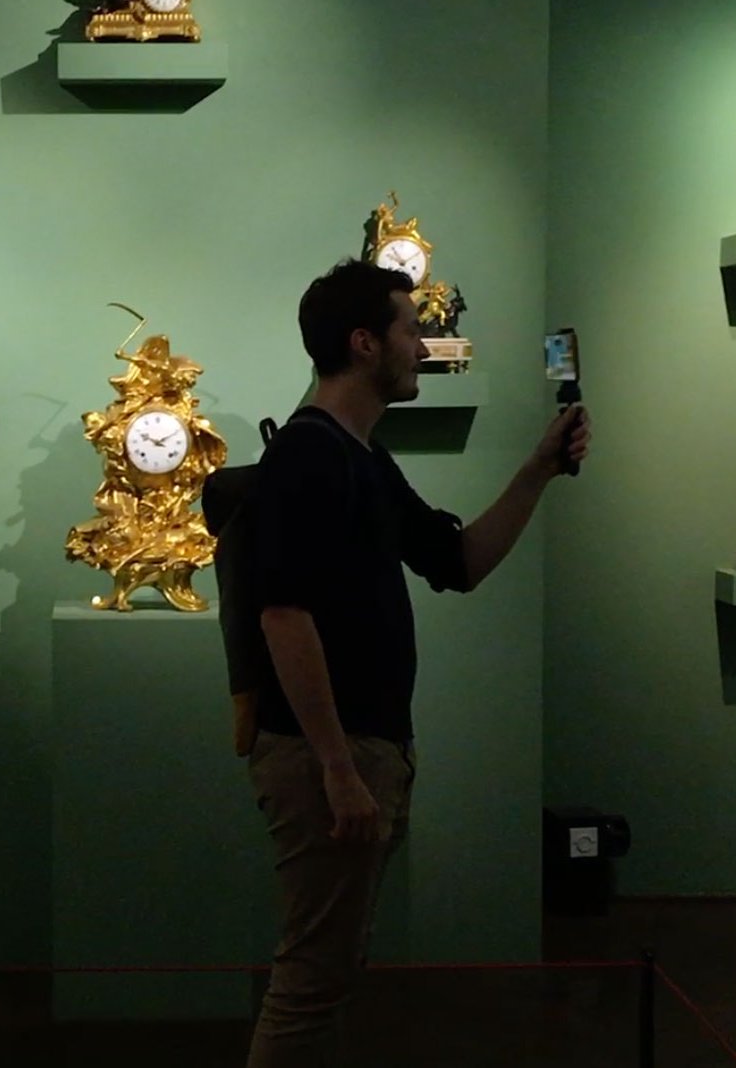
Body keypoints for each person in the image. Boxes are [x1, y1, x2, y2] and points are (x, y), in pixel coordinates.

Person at [244, 258, 589, 1068]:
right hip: (330, 759)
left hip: (364, 753)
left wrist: (539, 469)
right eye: (411, 331)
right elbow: (283, 615)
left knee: (327, 976)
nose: (425, 348)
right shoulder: (309, 456)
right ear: (364, 343)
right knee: (310, 983)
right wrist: (337, 767)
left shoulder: (362, 457)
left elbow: (458, 561)